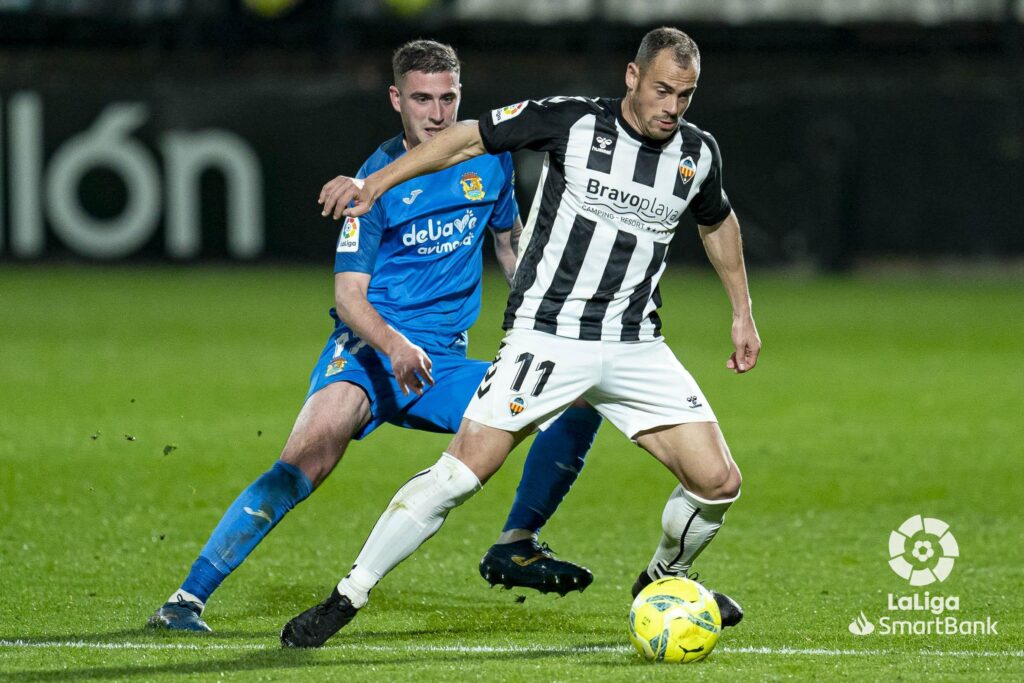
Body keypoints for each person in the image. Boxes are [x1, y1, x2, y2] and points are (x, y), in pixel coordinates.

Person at [281, 26, 762, 648]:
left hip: (635, 343)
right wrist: (376, 183)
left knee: (719, 482)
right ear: (632, 76)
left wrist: (742, 311)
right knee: (459, 476)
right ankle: (348, 595)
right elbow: (465, 137)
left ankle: (662, 579)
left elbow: (717, 220)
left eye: (685, 95)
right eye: (662, 90)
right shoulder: (570, 121)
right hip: (549, 337)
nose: (672, 107)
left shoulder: (698, 152)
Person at [147, 39, 602, 633]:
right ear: (396, 99)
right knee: (304, 461)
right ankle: (185, 600)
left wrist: (545, 317)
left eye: (447, 98)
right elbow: (348, 298)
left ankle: (517, 543)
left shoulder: (489, 161)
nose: (437, 114)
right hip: (369, 350)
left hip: (440, 363)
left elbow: (509, 243)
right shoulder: (373, 182)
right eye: (421, 99)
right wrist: (394, 346)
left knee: (577, 402)